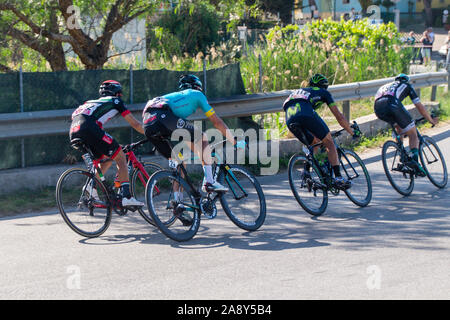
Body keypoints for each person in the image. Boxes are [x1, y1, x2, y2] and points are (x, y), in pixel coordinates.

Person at [142, 74, 245, 195]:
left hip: (147, 124)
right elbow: (217, 122)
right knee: (201, 136)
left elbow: (186, 137)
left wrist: (203, 152)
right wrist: (234, 141)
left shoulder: (175, 100)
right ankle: (210, 182)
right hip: (163, 117)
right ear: (197, 87)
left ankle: (177, 202)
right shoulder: (196, 94)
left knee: (180, 163)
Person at [70, 80, 145, 207]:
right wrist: (149, 133)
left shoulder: (88, 103)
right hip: (89, 128)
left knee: (107, 157)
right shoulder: (115, 101)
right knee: (120, 156)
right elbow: (136, 124)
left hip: (74, 131)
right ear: (117, 94)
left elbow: (81, 119)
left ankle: (90, 187)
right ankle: (126, 197)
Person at [283, 74, 359, 190]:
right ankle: (338, 178)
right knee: (329, 142)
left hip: (289, 118)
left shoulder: (300, 91)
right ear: (324, 87)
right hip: (305, 112)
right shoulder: (323, 92)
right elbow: (339, 117)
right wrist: (352, 132)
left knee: (314, 143)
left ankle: (307, 172)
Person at [373, 73, 438, 175]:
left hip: (378, 108)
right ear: (406, 81)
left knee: (399, 127)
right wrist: (431, 120)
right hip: (392, 104)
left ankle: (401, 153)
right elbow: (420, 107)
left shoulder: (386, 86)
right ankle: (415, 162)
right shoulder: (407, 85)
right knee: (413, 133)